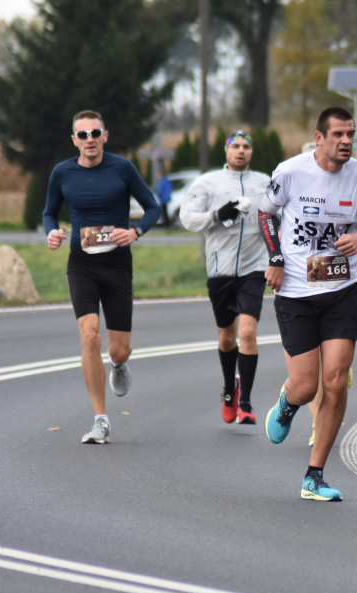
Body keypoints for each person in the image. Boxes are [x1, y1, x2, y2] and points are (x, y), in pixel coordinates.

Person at [258, 106, 357, 501]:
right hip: (296, 290)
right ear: (319, 138)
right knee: (305, 384)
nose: (346, 141)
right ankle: (288, 402)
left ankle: (314, 475)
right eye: (338, 135)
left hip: (341, 289)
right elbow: (265, 214)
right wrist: (276, 259)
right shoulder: (291, 172)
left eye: (351, 134)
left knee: (335, 379)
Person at [43, 110, 161, 444]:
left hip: (117, 266)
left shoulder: (122, 168)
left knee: (118, 349)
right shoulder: (62, 173)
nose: (89, 140)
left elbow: (153, 208)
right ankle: (101, 419)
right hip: (82, 264)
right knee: (90, 336)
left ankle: (119, 364)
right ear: (74, 141)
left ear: (104, 136)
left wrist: (135, 231)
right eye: (83, 135)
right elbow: (49, 212)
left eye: (95, 133)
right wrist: (52, 232)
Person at [180, 131, 270, 425]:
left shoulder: (264, 182)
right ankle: (230, 389)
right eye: (235, 146)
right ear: (226, 150)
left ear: (251, 152)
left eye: (246, 147)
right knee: (227, 337)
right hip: (219, 270)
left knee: (247, 333)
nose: (241, 151)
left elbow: (279, 216)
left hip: (254, 268)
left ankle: (245, 402)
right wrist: (217, 215)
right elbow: (187, 217)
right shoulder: (208, 183)